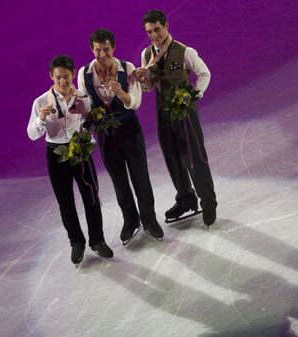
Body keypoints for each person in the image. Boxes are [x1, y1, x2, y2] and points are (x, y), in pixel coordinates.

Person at [77, 28, 163, 243]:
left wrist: (118, 92)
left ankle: (149, 219)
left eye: (106, 49)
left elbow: (135, 101)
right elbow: (86, 104)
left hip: (129, 130)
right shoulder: (84, 73)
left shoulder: (128, 68)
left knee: (140, 176)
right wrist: (81, 111)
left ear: (113, 47)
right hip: (106, 135)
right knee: (119, 181)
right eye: (98, 50)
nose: (102, 54)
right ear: (92, 49)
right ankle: (130, 220)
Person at [27, 54, 113, 267]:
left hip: (80, 150)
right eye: (58, 78)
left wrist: (91, 129)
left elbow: (88, 123)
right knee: (65, 202)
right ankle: (76, 242)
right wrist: (41, 119)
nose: (63, 82)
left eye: (66, 77)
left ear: (73, 74)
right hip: (56, 153)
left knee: (91, 197)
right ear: (51, 77)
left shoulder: (83, 97)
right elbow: (31, 134)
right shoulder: (40, 102)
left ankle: (98, 240)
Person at [135, 9, 217, 227]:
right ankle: (186, 199)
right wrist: (143, 80)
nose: (154, 35)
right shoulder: (146, 55)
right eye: (149, 32)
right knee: (172, 157)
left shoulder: (184, 51)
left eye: (157, 30)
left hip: (184, 112)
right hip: (162, 112)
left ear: (166, 26)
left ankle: (208, 202)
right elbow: (149, 87)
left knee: (194, 157)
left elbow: (204, 74)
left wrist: (193, 96)